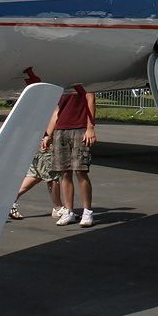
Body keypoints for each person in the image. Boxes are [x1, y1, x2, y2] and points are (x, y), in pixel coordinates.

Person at [47, 85, 97, 227]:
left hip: (80, 128)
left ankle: (87, 211)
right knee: (64, 172)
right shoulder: (60, 84)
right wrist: (48, 134)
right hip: (60, 130)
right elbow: (56, 111)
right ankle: (68, 211)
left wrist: (90, 127)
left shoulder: (85, 80)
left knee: (80, 171)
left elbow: (90, 99)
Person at [9, 140, 65, 221]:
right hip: (45, 144)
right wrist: (48, 137)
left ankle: (10, 198)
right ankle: (58, 208)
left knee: (35, 175)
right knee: (52, 176)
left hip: (35, 143)